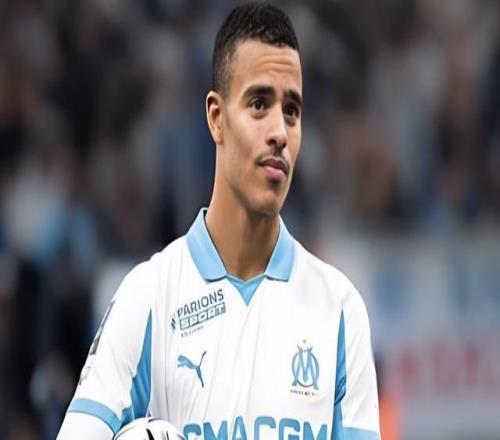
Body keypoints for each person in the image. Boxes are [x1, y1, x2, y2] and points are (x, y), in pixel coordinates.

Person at [57, 3, 380, 439]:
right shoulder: (149, 297)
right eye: (259, 104)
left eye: (291, 110)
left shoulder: (339, 310)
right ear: (216, 118)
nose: (279, 132)